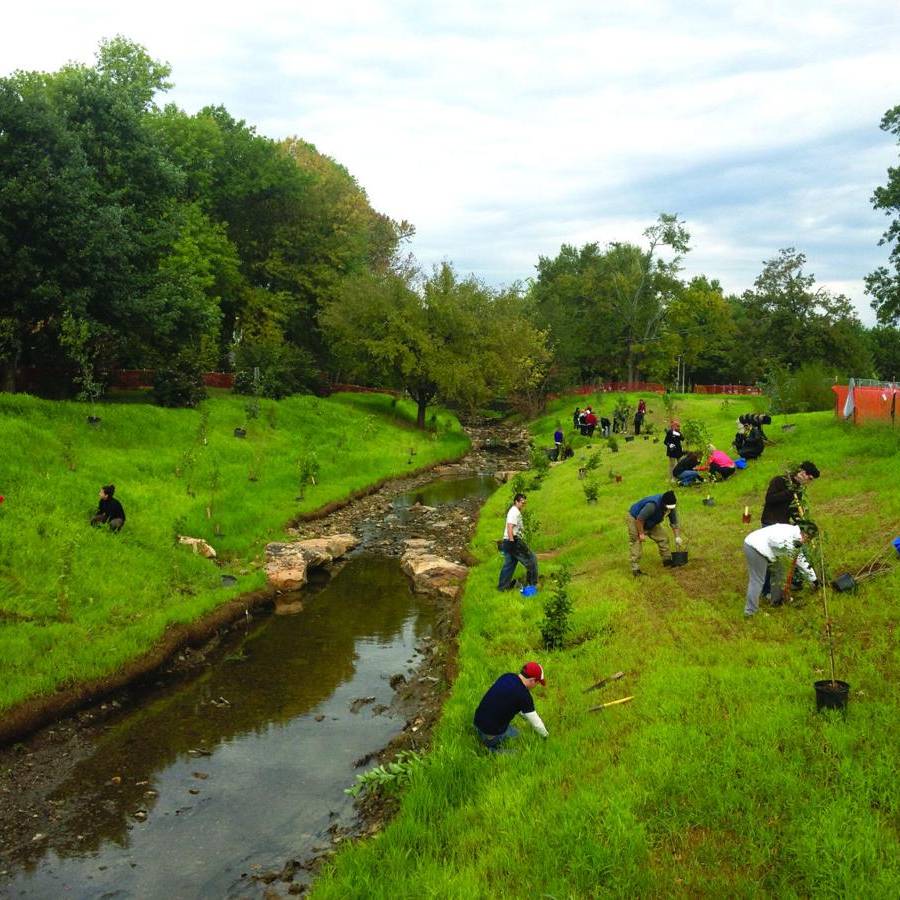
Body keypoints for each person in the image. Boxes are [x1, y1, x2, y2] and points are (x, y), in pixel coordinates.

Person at [743, 521, 818, 617]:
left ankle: (776, 600)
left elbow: (800, 560)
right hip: (754, 547)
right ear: (803, 533)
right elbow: (774, 541)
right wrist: (789, 549)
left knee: (779, 571)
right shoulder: (788, 534)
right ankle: (750, 612)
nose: (806, 541)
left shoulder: (795, 537)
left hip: (769, 550)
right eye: (807, 538)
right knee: (757, 580)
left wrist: (814, 579)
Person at [473, 661, 549, 750]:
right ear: (532, 680)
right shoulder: (524, 696)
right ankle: (492, 751)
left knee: (513, 731)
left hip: (477, 723)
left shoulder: (507, 676)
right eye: (537, 683)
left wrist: (525, 716)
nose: (536, 685)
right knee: (519, 741)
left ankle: (487, 741)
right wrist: (546, 736)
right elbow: (537, 724)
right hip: (489, 734)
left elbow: (506, 701)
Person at [626, 490, 683, 576]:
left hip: (651, 520)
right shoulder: (652, 505)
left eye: (672, 507)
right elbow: (639, 520)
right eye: (668, 507)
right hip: (635, 519)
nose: (670, 509)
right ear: (664, 503)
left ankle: (667, 560)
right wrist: (641, 533)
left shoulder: (671, 506)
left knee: (663, 538)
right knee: (636, 542)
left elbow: (674, 522)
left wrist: (677, 537)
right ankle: (635, 569)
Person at [498, 493, 538, 590]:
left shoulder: (515, 511)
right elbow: (509, 527)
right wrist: (512, 541)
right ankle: (532, 585)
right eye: (522, 502)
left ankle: (502, 587)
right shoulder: (514, 512)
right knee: (531, 560)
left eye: (525, 503)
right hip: (513, 541)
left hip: (508, 541)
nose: (523, 505)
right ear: (516, 502)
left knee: (509, 564)